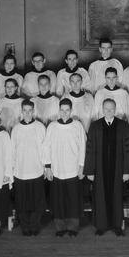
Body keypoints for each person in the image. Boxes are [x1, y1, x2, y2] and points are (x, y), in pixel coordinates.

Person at [84, 98, 129, 236]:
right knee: (100, 197)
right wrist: (89, 170)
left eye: (111, 108)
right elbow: (90, 149)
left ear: (115, 109)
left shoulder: (123, 125)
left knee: (117, 197)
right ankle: (101, 226)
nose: (109, 111)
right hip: (99, 169)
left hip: (117, 170)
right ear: (102, 109)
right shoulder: (95, 126)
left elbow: (128, 149)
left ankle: (117, 225)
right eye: (106, 108)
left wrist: (127, 171)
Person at [43, 98, 87, 237]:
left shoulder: (77, 126)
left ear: (71, 111)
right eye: (62, 110)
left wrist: (81, 167)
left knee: (73, 199)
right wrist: (48, 167)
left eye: (67, 110)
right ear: (59, 110)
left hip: (73, 169)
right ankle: (60, 227)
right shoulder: (52, 126)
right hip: (57, 169)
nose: (64, 113)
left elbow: (83, 148)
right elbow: (46, 148)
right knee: (58, 200)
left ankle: (73, 227)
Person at [10, 99, 47, 236]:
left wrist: (45, 166)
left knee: (37, 201)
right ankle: (25, 226)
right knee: (22, 201)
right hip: (20, 171)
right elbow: (12, 150)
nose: (27, 113)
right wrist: (12, 168)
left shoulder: (40, 127)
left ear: (33, 111)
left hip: (36, 169)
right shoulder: (16, 128)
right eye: (24, 110)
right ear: (21, 112)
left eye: (29, 110)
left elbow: (45, 149)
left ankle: (35, 225)